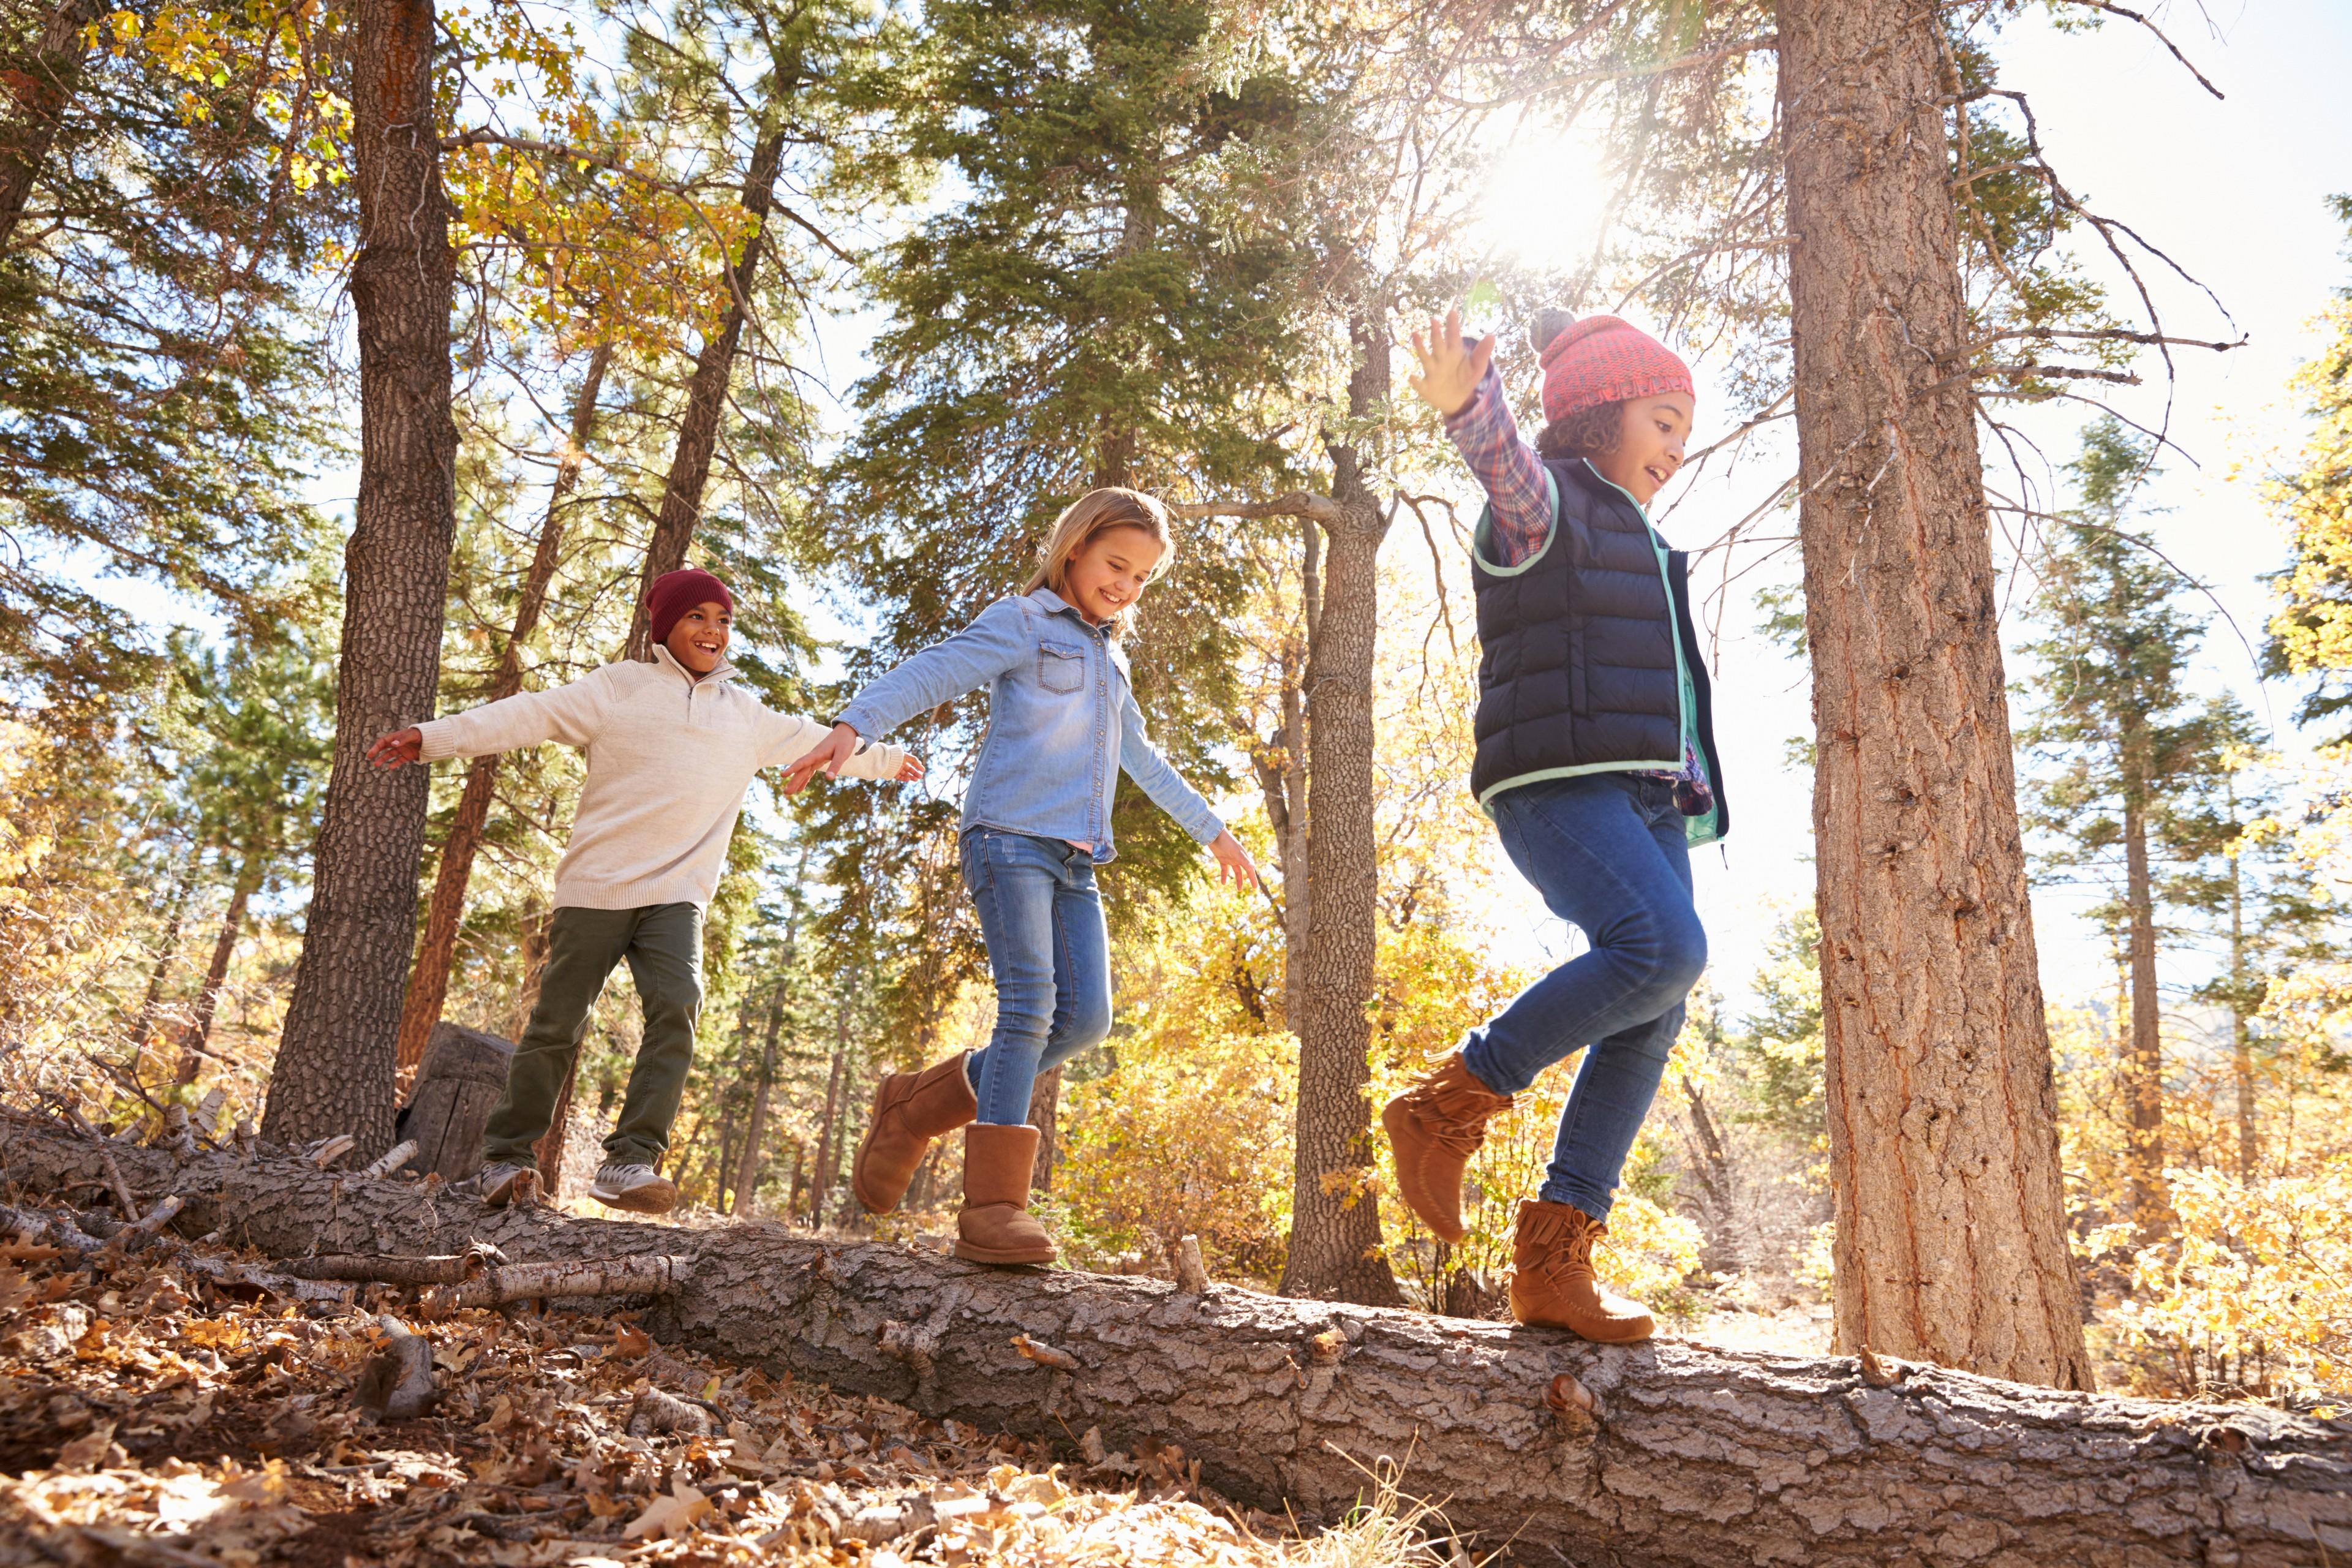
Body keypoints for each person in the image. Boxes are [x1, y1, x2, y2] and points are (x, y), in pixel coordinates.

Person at [783, 487, 1259, 1266]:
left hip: (1076, 859)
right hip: (1008, 838)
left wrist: (1214, 829)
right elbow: (935, 671)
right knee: (1031, 1004)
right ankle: (994, 1207)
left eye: (1142, 577)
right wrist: (853, 725)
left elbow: (1142, 758)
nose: (1126, 587)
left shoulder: (1111, 658)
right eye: (1116, 565)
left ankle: (914, 1105)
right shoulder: (1025, 621)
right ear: (1074, 547)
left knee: (1086, 1020)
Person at [367, 567, 922, 1215]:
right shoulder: (619, 688)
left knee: (678, 1004)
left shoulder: (745, 715)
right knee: (555, 1026)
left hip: (677, 894)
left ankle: (629, 1159)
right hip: (596, 887)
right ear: (666, 626)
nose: (713, 631)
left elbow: (820, 742)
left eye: (722, 620)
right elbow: (530, 714)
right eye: (697, 617)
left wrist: (883, 760)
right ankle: (506, 1158)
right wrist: (432, 738)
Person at [1384, 306, 1730, 1342]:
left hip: (1649, 795)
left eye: (1685, 429)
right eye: (1662, 422)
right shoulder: (1551, 510)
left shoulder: (1648, 540)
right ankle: (1449, 1102)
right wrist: (1469, 406)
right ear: (1595, 419)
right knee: (1662, 947)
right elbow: (1504, 470)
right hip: (1559, 785)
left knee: (1656, 1002)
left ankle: (1554, 1261)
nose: (1678, 448)